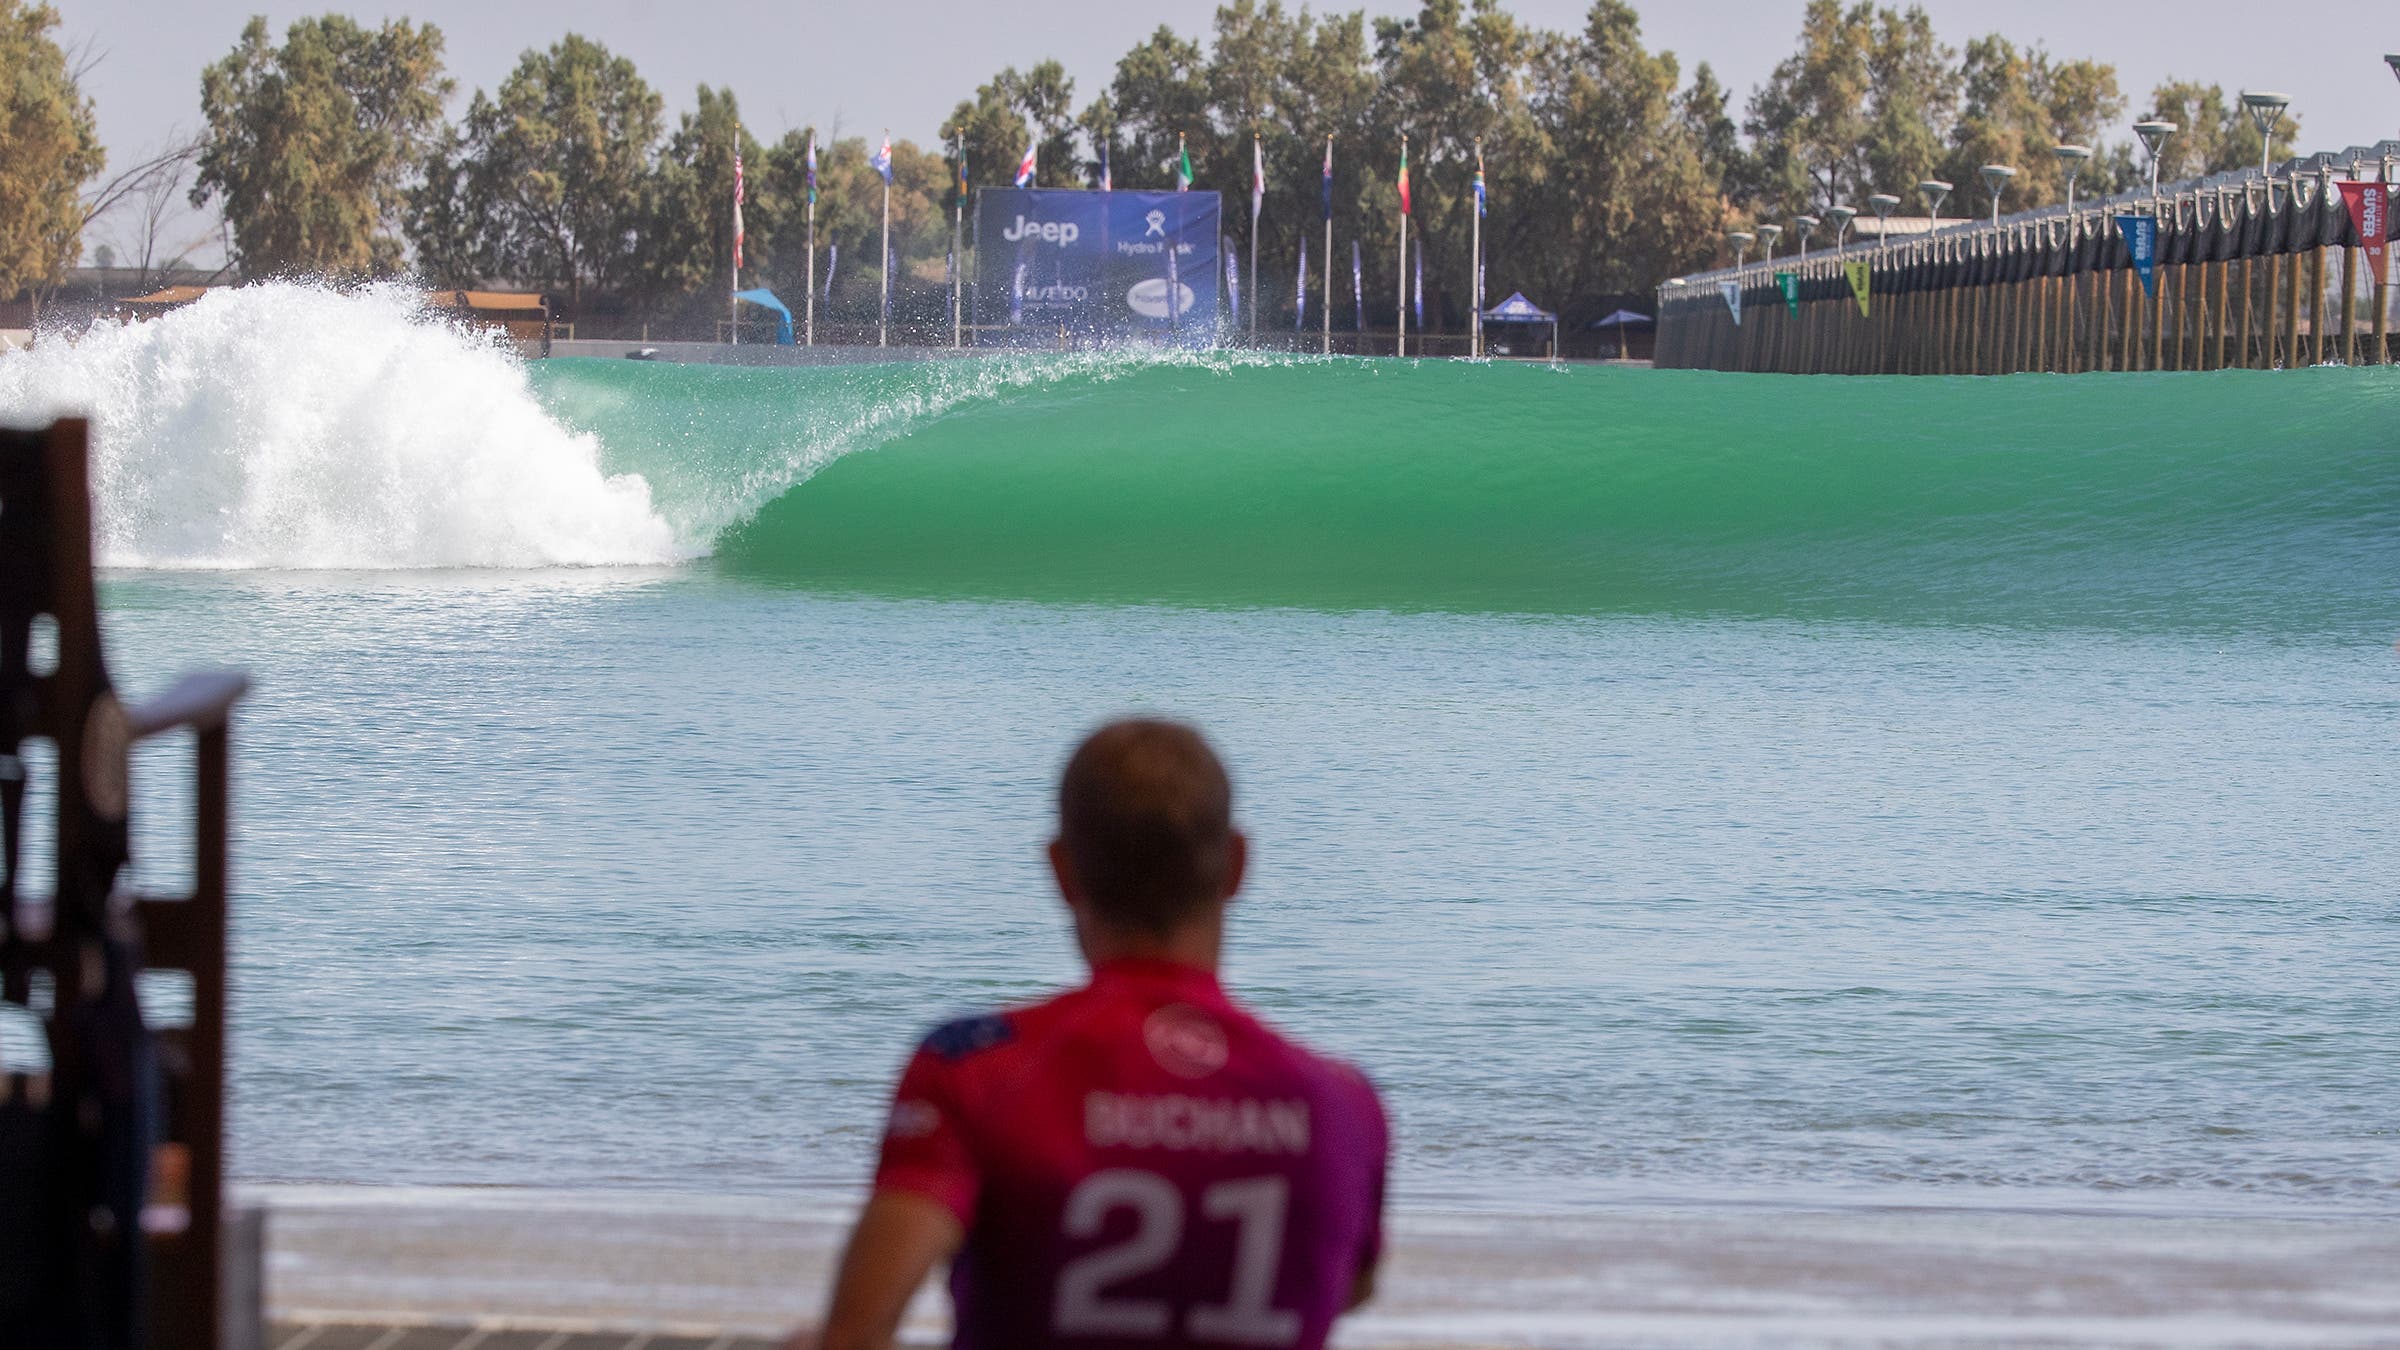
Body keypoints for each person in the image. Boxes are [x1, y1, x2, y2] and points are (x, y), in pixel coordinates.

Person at [802, 718, 1389, 1350]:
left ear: (1061, 871)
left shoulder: (975, 1069)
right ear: (1237, 866)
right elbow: (1346, 1285)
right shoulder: (1341, 1104)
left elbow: (858, 1333)